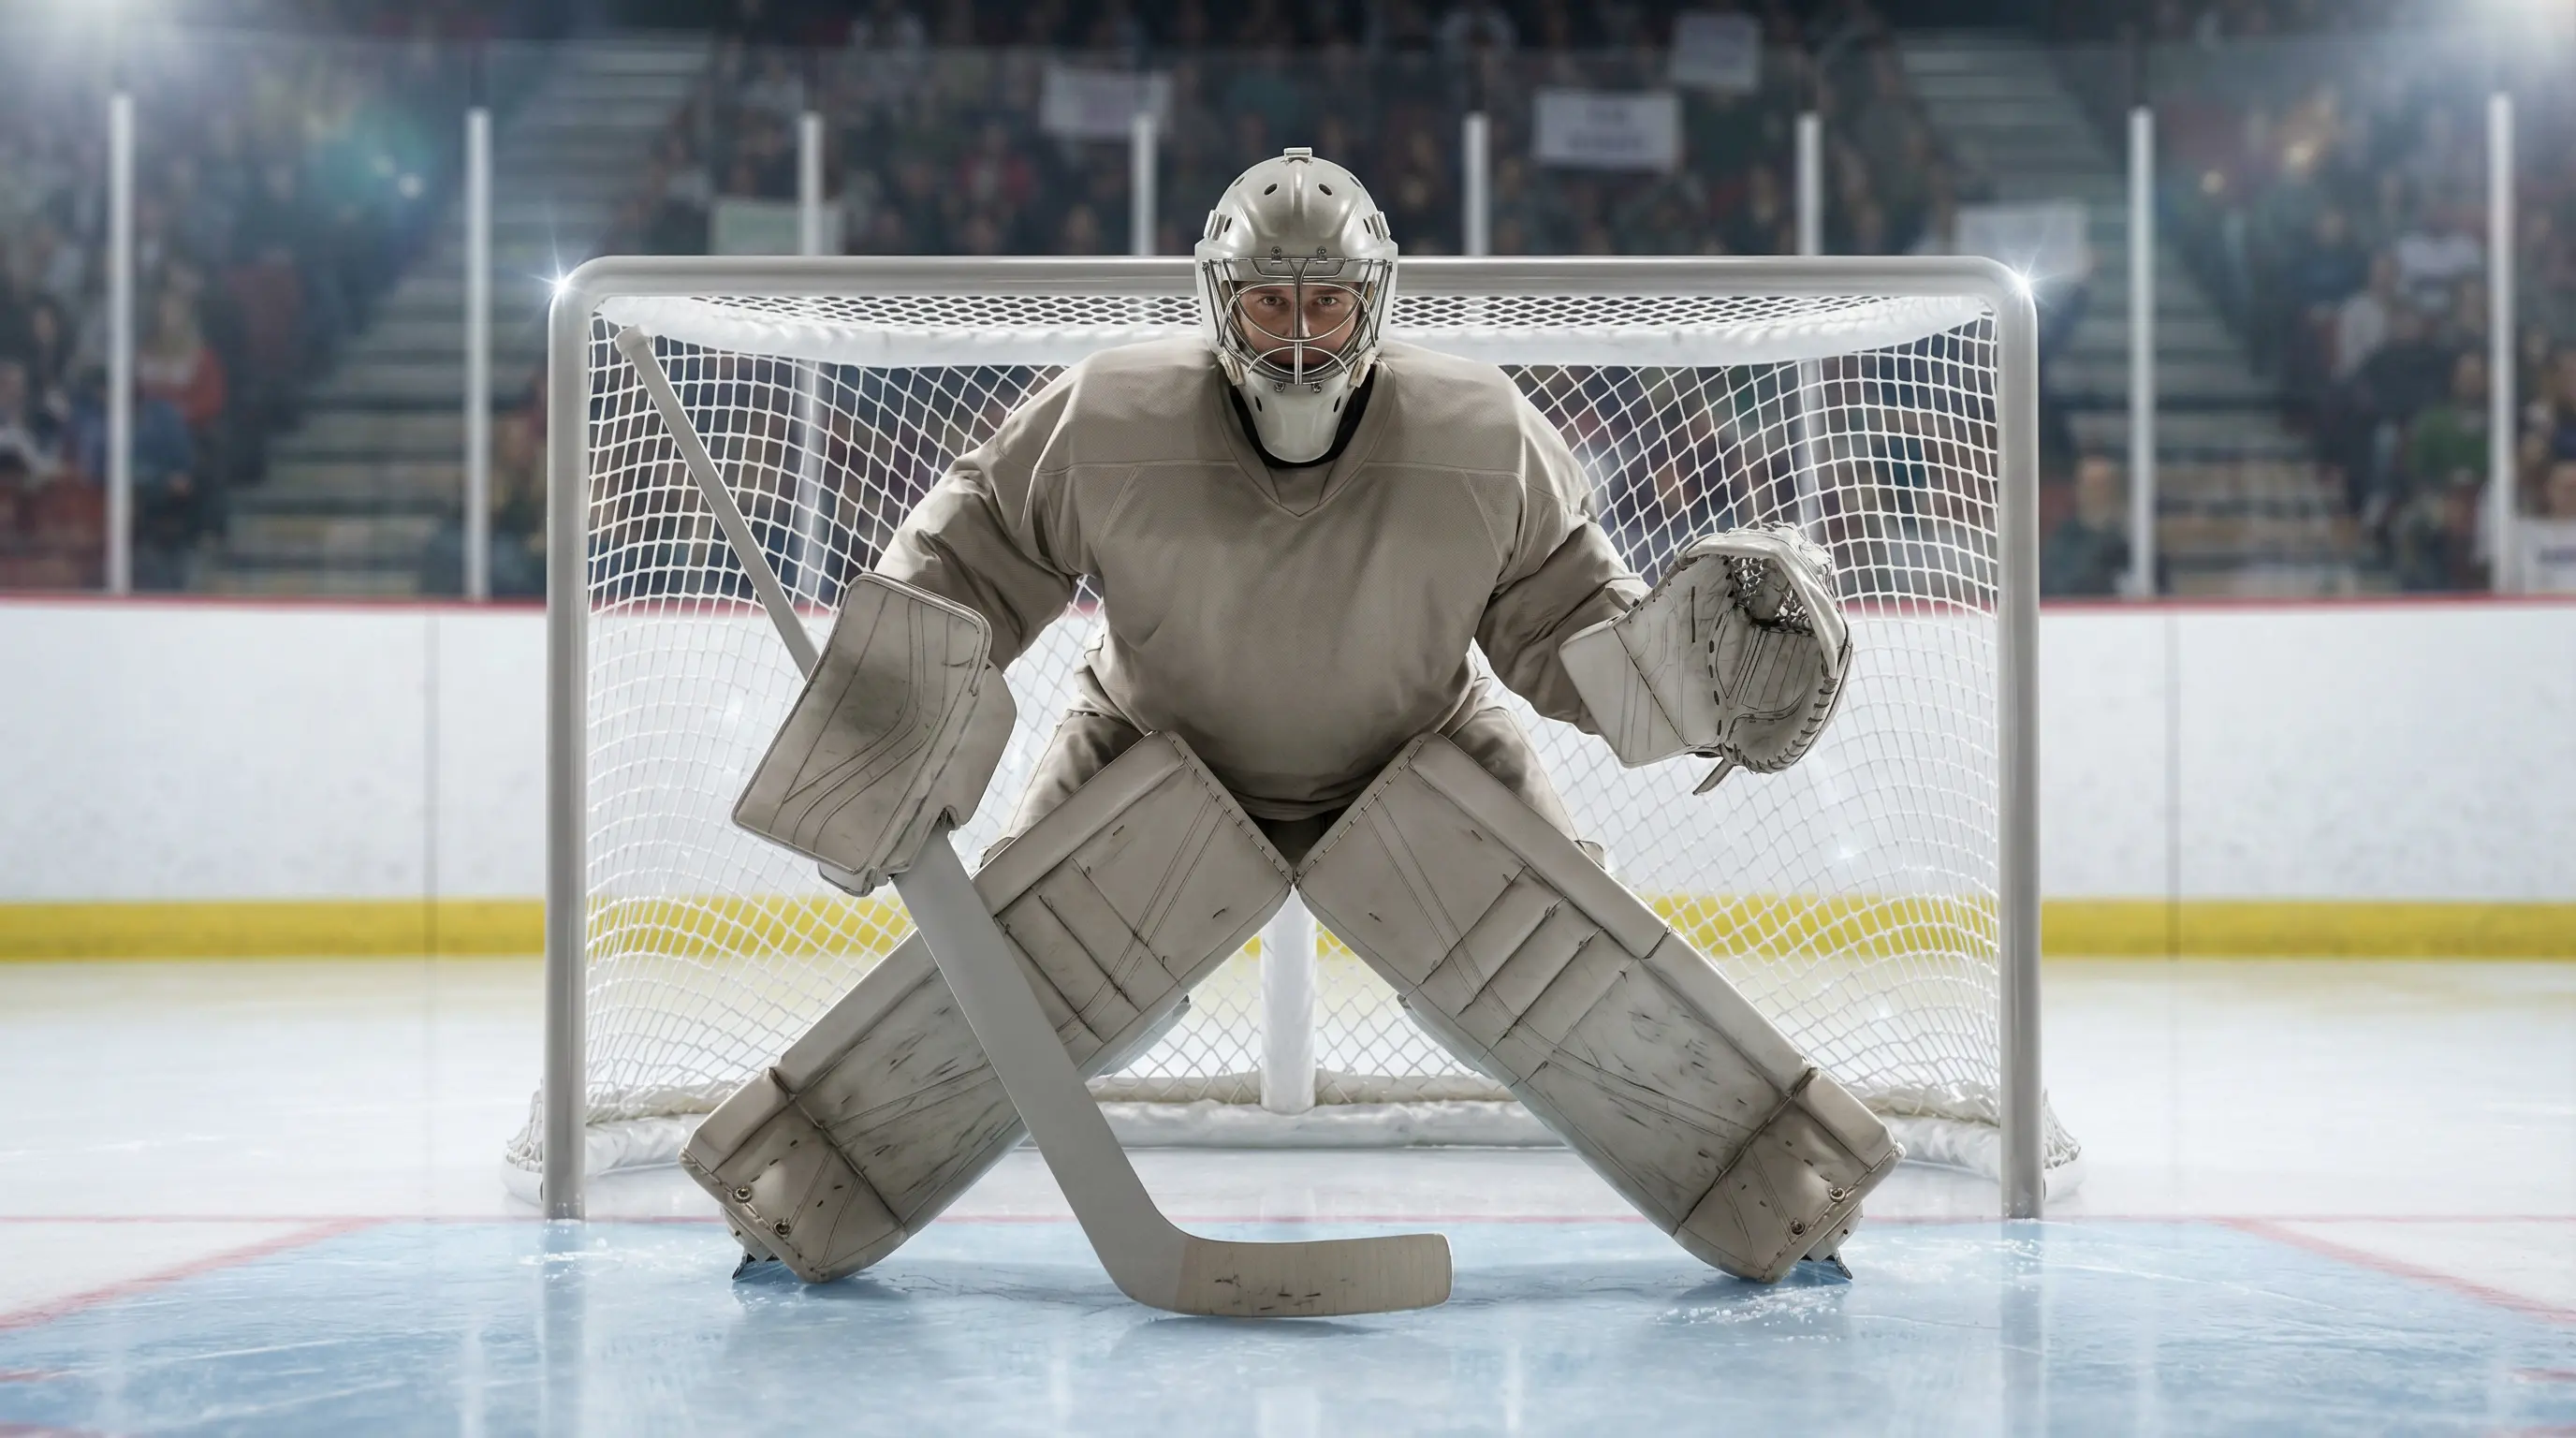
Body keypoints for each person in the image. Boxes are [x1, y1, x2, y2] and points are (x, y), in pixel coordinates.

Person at [697, 151, 1887, 1292]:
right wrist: (888, 704)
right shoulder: (1105, 413)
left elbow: (1568, 631)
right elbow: (973, 557)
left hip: (1419, 746)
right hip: (1148, 737)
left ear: (1379, 304)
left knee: (1576, 999)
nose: (1303, 337)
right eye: (1272, 304)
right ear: (1219, 304)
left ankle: (1791, 1200)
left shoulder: (1486, 435)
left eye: (1331, 306)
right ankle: (792, 1198)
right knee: (1009, 1002)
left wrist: (1690, 679)